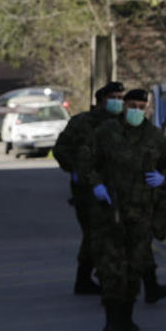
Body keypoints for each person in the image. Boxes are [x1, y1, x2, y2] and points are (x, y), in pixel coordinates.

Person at [78, 88, 166, 331]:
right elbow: (86, 161)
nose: (136, 111)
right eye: (131, 105)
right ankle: (111, 320)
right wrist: (96, 184)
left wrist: (162, 178)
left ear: (147, 109)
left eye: (141, 107)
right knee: (111, 268)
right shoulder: (106, 132)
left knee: (135, 267)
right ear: (124, 106)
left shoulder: (154, 137)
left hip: (141, 213)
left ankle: (127, 318)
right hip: (110, 213)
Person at [53, 81, 124, 294]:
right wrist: (75, 169)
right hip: (87, 190)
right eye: (114, 98)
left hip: (117, 188)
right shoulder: (82, 122)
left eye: (121, 98)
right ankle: (89, 278)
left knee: (114, 234)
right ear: (101, 100)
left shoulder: (124, 123)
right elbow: (61, 150)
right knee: (95, 234)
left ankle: (102, 277)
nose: (118, 102)